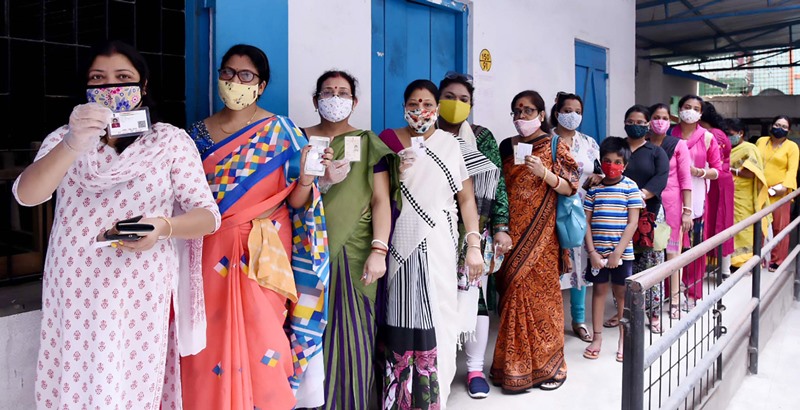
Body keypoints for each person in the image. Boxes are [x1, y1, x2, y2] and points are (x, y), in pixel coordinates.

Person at [13, 40, 221, 409]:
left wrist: (161, 227)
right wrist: (74, 143)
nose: (111, 88)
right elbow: (28, 195)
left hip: (138, 285)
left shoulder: (169, 141)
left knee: (129, 381)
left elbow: (207, 216)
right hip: (75, 283)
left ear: (143, 87)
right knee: (75, 376)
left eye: (122, 77)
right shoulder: (64, 139)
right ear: (86, 90)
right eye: (98, 79)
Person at [181, 44, 330, 410]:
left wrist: (308, 180)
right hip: (207, 253)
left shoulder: (281, 132)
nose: (234, 81)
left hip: (263, 256)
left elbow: (296, 203)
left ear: (260, 85)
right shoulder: (194, 136)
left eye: (245, 76)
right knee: (207, 338)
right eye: (228, 73)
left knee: (264, 337)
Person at [377, 79, 484, 409]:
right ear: (403, 106)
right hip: (399, 242)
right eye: (413, 103)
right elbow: (378, 196)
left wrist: (474, 244)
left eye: (426, 103)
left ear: (436, 108)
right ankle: (401, 398)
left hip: (439, 240)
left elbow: (466, 199)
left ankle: (434, 397)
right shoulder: (387, 141)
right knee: (400, 314)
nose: (420, 110)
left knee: (442, 317)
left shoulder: (450, 145)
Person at [302, 70, 398, 409]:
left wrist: (379, 250)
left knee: (353, 338)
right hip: (305, 252)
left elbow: (380, 200)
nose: (335, 98)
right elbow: (286, 195)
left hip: (354, 254)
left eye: (343, 93)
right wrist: (321, 181)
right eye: (328, 92)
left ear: (354, 102)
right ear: (316, 100)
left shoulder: (367, 142)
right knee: (306, 336)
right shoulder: (299, 138)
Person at [491, 90, 579, 392]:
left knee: (544, 303)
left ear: (542, 115)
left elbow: (571, 188)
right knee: (512, 298)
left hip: (543, 238)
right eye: (516, 111)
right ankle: (511, 368)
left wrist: (545, 174)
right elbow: (498, 188)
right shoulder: (506, 146)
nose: (521, 117)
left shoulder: (556, 145)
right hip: (510, 236)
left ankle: (553, 367)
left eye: (528, 111)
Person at [436, 71, 509, 399]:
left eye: (463, 99)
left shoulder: (482, 137)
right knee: (438, 298)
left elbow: (497, 185)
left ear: (472, 105)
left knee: (475, 298)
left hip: (474, 231)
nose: (455, 104)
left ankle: (475, 367)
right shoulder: (424, 134)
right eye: (449, 97)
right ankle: (438, 365)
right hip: (435, 229)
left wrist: (500, 228)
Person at [582, 137, 643, 362]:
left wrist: (618, 252)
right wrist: (592, 253)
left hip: (622, 255)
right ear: (600, 162)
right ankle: (597, 337)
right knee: (598, 292)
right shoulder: (595, 190)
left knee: (620, 295)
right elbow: (586, 223)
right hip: (597, 255)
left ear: (625, 165)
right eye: (607, 161)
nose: (612, 165)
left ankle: (623, 339)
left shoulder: (630, 187)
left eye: (617, 161)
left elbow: (632, 223)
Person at [612, 105, 668, 334]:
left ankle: (653, 313)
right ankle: (622, 311)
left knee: (651, 264)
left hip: (649, 214)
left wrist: (639, 196)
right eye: (631, 121)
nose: (635, 126)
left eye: (640, 122)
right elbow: (604, 170)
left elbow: (661, 177)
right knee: (623, 265)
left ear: (647, 126)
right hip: (618, 214)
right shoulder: (617, 149)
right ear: (625, 123)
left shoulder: (656, 152)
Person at [549, 92, 600, 343]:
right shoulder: (546, 140)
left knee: (578, 264)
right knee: (553, 263)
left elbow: (599, 171)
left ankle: (578, 319)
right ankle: (551, 319)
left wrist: (597, 179)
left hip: (580, 211)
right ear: (557, 112)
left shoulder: (589, 142)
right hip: (551, 208)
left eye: (577, 111)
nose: (573, 116)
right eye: (567, 110)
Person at [669, 95, 722, 310]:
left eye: (695, 108)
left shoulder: (707, 138)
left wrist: (698, 171)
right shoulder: (669, 134)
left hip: (696, 198)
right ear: (679, 109)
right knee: (671, 247)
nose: (690, 111)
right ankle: (670, 292)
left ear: (701, 113)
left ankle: (692, 291)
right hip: (671, 196)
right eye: (686, 107)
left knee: (694, 245)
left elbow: (718, 170)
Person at [647, 103, 692, 321]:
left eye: (664, 117)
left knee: (673, 253)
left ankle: (675, 299)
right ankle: (649, 303)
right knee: (648, 254)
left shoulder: (678, 145)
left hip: (672, 207)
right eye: (656, 117)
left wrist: (687, 211)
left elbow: (685, 179)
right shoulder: (642, 144)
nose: (660, 121)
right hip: (647, 205)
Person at [756, 115, 799, 272]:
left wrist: (783, 187)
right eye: (777, 124)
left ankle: (777, 260)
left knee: (780, 227)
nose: (780, 128)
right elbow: (754, 162)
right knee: (759, 225)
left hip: (780, 193)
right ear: (771, 125)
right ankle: (758, 258)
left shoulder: (792, 147)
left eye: (784, 127)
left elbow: (792, 170)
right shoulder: (761, 142)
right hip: (760, 191)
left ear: (788, 130)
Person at [727, 118, 771, 268]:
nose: (728, 137)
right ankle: (731, 261)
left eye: (730, 133)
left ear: (740, 133)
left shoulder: (749, 148)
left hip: (744, 195)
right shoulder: (726, 148)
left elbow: (751, 173)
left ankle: (746, 262)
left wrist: (730, 170)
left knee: (745, 229)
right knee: (730, 228)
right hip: (729, 194)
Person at [700, 102, 734, 276]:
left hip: (716, 182)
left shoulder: (713, 134)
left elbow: (715, 162)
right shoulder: (714, 132)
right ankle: (721, 267)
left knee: (718, 221)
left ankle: (724, 267)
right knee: (716, 221)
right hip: (715, 180)